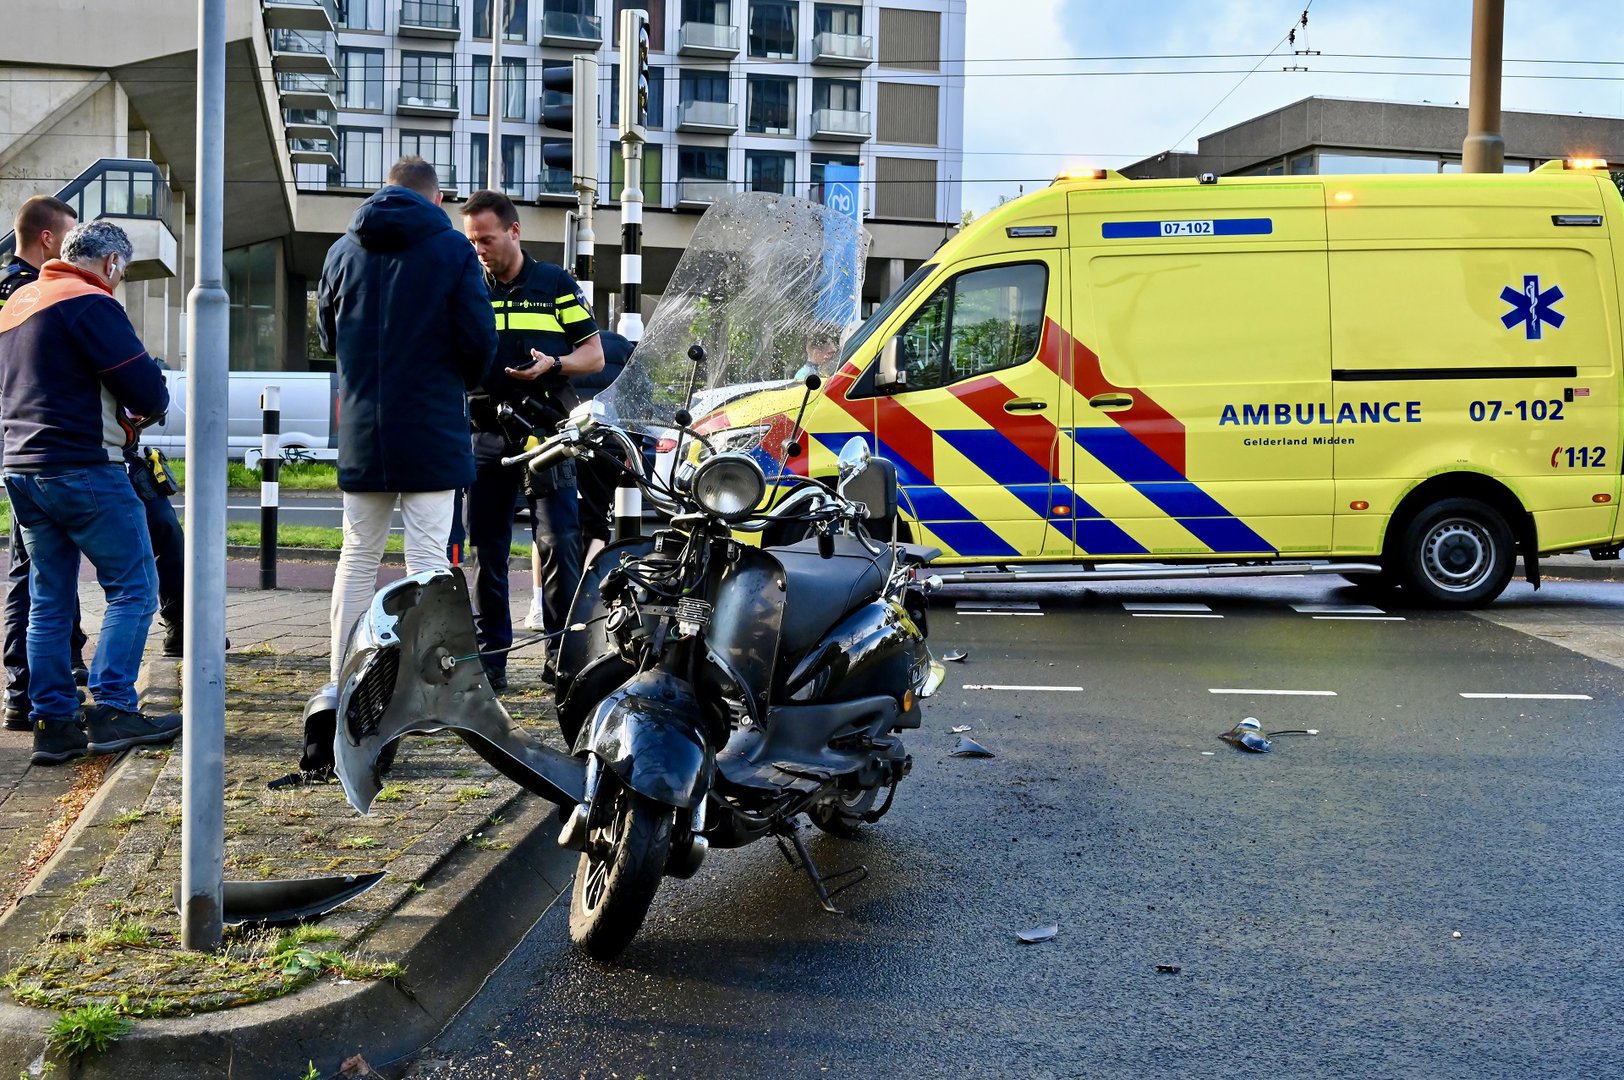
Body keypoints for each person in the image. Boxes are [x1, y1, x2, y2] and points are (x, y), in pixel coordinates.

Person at [0, 219, 182, 765]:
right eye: (121, 273)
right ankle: (112, 710)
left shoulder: (17, 304)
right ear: (111, 264)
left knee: (49, 600)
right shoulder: (89, 302)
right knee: (134, 588)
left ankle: (53, 722)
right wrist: (148, 403)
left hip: (21, 469)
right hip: (83, 465)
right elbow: (146, 390)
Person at [317, 157, 497, 688]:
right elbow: (478, 337)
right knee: (426, 558)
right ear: (435, 200)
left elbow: (329, 338)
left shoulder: (341, 250)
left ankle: (340, 682)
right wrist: (457, 382)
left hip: (364, 429)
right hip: (433, 424)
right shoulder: (451, 250)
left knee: (357, 554)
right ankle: (423, 688)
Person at [460, 190, 603, 688]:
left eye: (487, 239)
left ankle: (561, 659)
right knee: (488, 547)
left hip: (546, 432)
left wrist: (554, 364)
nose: (479, 248)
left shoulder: (556, 284)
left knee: (561, 540)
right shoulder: (464, 285)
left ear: (514, 232)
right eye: (472, 240)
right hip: (483, 431)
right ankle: (491, 662)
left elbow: (595, 357)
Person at [0, 196, 90, 730]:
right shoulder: (29, 294)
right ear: (49, 240)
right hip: (40, 449)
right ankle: (27, 687)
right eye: (71, 238)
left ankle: (42, 681)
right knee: (33, 570)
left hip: (18, 446)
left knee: (38, 569)